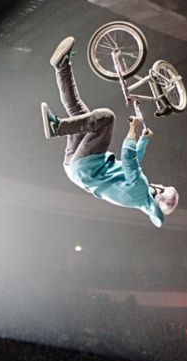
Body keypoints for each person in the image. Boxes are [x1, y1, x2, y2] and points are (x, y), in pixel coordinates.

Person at [41, 36, 179, 227]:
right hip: (77, 170)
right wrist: (143, 140)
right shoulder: (138, 196)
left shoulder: (140, 191)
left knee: (106, 118)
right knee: (79, 114)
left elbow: (129, 160)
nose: (160, 184)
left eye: (162, 187)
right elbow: (133, 164)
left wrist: (133, 128)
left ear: (159, 194)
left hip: (87, 167)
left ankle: (58, 127)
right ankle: (62, 66)